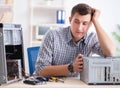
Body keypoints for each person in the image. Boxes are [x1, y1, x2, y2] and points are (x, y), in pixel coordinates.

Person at [35, 3, 115, 77]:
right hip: (50, 83)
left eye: (85, 23)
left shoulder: (91, 38)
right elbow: (40, 70)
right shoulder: (52, 35)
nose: (80, 28)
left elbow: (110, 53)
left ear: (90, 24)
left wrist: (96, 21)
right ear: (70, 20)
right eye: (76, 22)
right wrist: (71, 67)